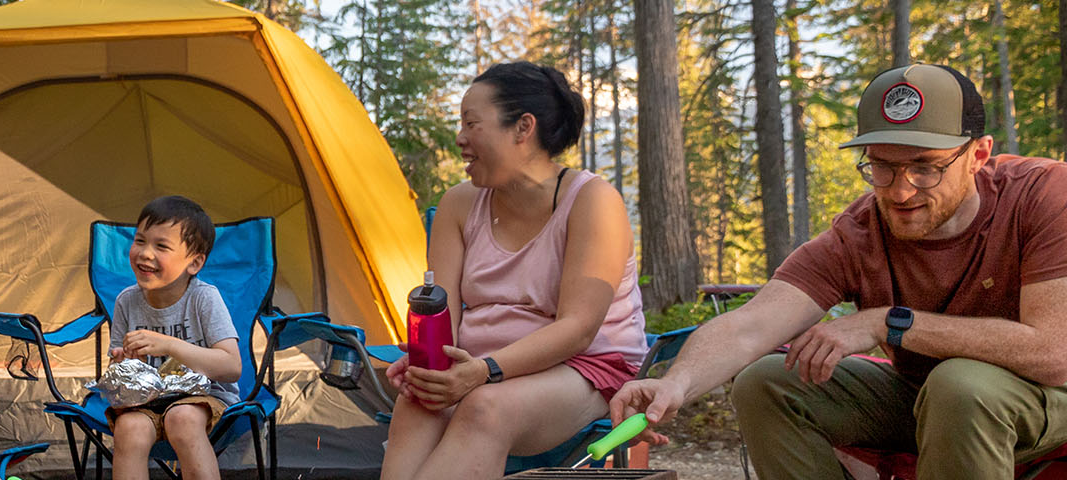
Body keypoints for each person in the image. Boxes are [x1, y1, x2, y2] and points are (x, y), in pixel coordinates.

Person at [611, 64, 1067, 480]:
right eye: (882, 167)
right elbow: (750, 326)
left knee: (961, 387)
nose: (900, 191)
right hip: (923, 397)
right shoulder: (860, 232)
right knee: (766, 382)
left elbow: (1054, 352)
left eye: (924, 167)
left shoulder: (1042, 197)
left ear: (978, 154)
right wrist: (673, 384)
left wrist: (887, 322)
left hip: (1044, 397)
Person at [380, 61, 647, 480]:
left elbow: (578, 327)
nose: (460, 139)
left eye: (472, 124)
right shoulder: (460, 204)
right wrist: (430, 364)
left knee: (486, 408)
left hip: (587, 367)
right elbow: (442, 318)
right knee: (419, 398)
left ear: (523, 128)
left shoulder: (592, 201)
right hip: (479, 367)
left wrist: (483, 372)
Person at [105, 195, 243, 480]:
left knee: (181, 419)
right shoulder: (126, 302)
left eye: (161, 246)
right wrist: (125, 365)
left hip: (204, 399)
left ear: (194, 263)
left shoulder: (203, 299)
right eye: (140, 240)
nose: (144, 253)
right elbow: (115, 376)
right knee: (128, 429)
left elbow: (231, 367)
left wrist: (168, 344)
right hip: (145, 404)